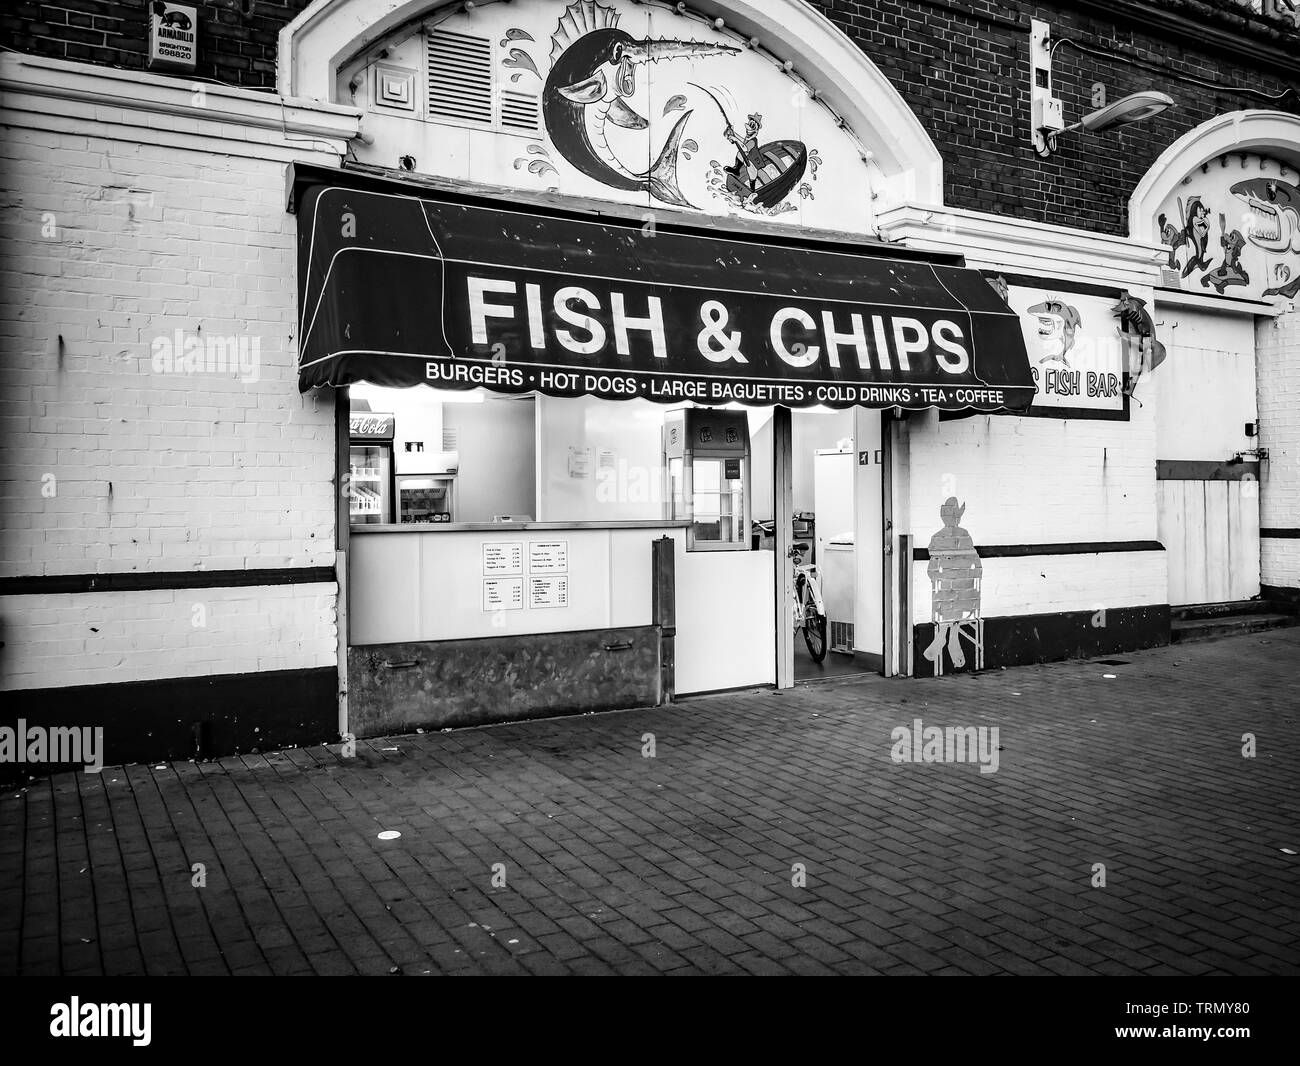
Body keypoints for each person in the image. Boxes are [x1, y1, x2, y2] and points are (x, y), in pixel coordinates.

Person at [923, 497, 981, 670]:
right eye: (951, 515)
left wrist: (971, 575)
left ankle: (943, 637)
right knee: (949, 598)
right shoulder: (938, 537)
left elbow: (976, 562)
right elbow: (931, 568)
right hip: (948, 592)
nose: (954, 519)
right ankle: (952, 639)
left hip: (963, 591)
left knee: (953, 598)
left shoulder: (965, 535)